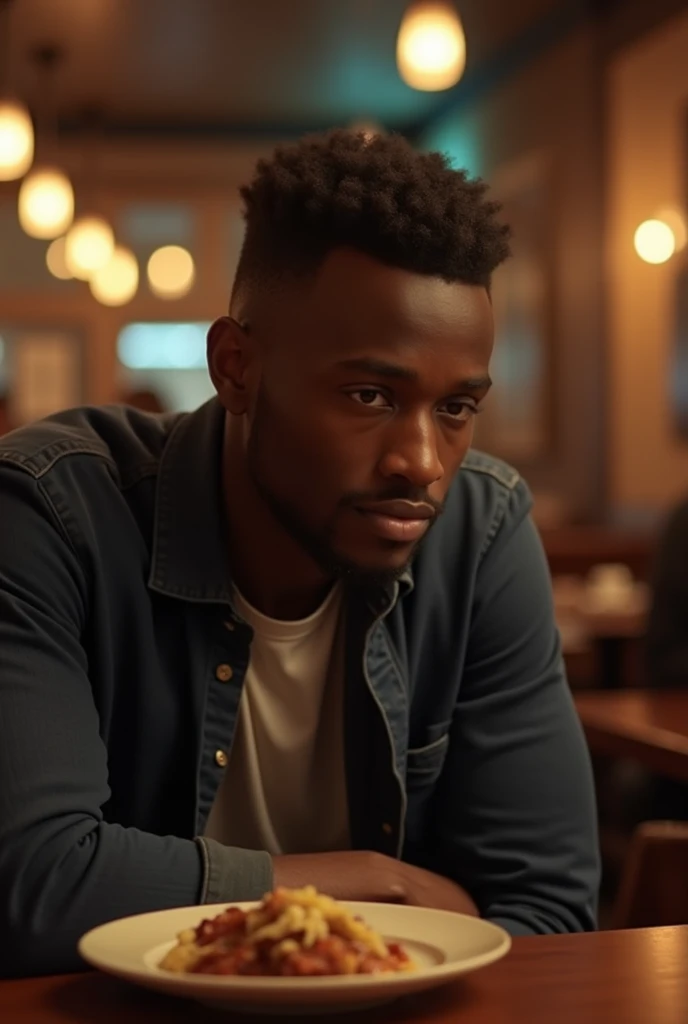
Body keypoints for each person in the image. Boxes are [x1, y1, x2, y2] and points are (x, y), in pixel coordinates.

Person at [0, 130, 599, 978]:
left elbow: (549, 910)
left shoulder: (482, 528)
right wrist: (362, 887)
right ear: (236, 367)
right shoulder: (49, 513)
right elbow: (30, 889)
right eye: (369, 395)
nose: (422, 463)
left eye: (457, 407)